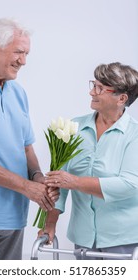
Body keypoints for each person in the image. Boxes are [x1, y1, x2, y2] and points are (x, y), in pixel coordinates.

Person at [0, 18, 58, 260]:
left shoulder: (18, 92)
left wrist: (38, 177)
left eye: (26, 53)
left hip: (15, 217)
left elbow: (26, 147)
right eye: (18, 52)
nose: (23, 61)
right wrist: (27, 187)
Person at [40, 62, 138, 260]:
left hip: (122, 239)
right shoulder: (74, 127)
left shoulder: (134, 134)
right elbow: (59, 184)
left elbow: (130, 184)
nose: (92, 92)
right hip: (83, 238)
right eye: (93, 85)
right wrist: (49, 224)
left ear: (121, 98)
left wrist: (75, 182)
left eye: (99, 88)